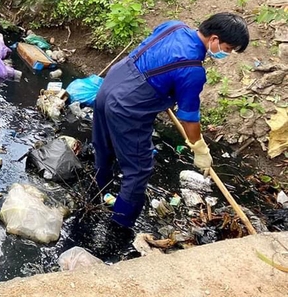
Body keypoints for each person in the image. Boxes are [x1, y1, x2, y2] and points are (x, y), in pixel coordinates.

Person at [93, 13, 249, 230]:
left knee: (104, 144)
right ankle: (119, 226)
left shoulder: (174, 26)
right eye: (229, 48)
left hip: (112, 82)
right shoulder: (193, 70)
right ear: (214, 39)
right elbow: (189, 117)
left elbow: (154, 52)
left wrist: (165, 86)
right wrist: (199, 148)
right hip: (128, 106)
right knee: (139, 170)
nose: (227, 53)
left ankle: (98, 189)